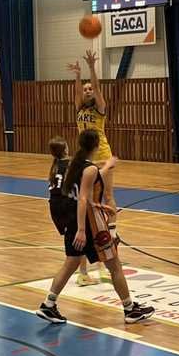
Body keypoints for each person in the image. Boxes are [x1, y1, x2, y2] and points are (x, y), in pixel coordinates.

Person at [36, 129, 154, 325]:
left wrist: (97, 204)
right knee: (114, 265)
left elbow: (77, 196)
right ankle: (130, 309)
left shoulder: (75, 165)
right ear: (97, 145)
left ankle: (48, 304)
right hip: (90, 225)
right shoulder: (88, 168)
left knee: (71, 263)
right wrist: (83, 229)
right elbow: (83, 198)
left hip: (74, 220)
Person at [72, 49, 116, 285]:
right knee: (87, 201)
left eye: (90, 89)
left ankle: (112, 228)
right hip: (85, 159)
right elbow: (77, 93)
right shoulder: (80, 108)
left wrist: (91, 67)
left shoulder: (100, 107)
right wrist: (78, 76)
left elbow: (98, 88)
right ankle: (88, 267)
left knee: (107, 196)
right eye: (86, 89)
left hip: (102, 155)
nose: (88, 91)